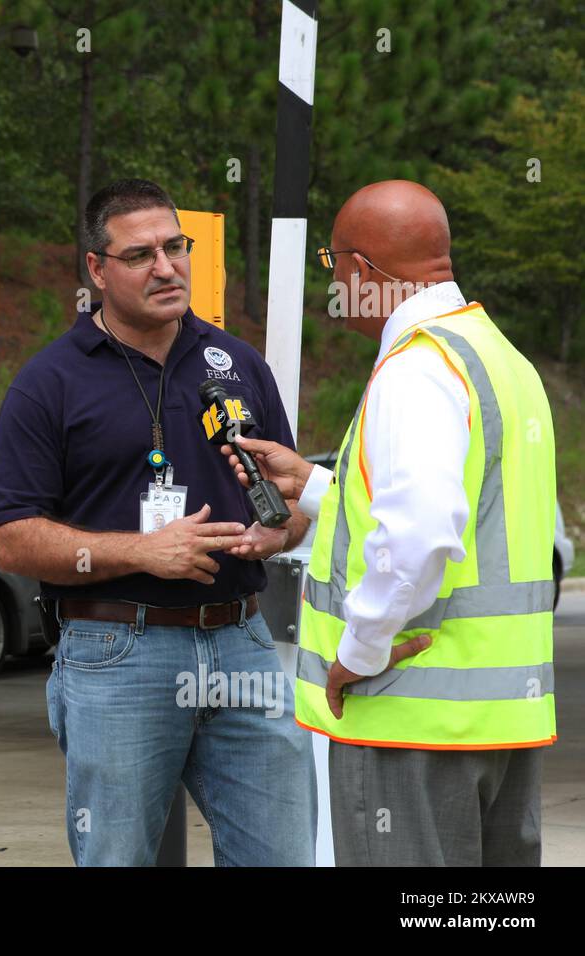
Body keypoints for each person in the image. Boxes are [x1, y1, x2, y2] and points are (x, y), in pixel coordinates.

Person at [221, 180, 556, 866]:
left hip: (412, 719)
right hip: (502, 725)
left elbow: (423, 535)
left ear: (364, 273)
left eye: (332, 264)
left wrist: (359, 651)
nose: (333, 283)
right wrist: (315, 486)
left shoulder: (416, 371)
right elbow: (456, 511)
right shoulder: (501, 360)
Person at [0, 178, 317, 866]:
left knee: (284, 855)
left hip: (242, 642)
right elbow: (10, 536)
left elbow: (292, 511)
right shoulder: (49, 382)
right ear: (97, 270)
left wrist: (278, 532)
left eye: (175, 247)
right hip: (117, 650)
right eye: (140, 255)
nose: (166, 267)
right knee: (119, 857)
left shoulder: (238, 363)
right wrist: (144, 552)